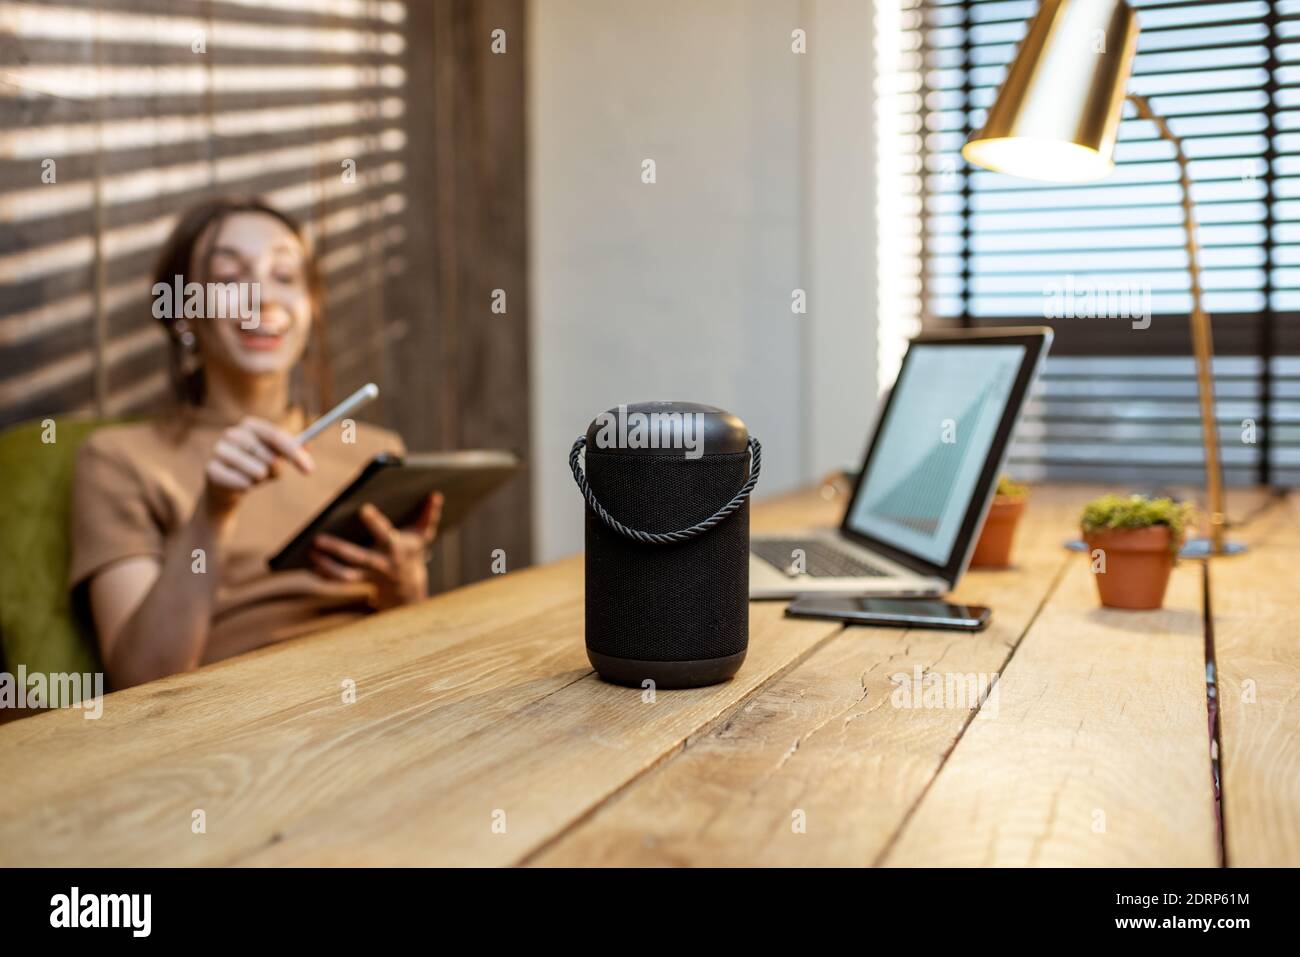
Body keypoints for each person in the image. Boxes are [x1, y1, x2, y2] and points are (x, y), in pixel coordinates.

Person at [70, 198, 441, 689]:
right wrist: (214, 510)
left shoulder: (374, 451)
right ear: (182, 313)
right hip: (238, 721)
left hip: (383, 692)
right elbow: (141, 678)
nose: (263, 298)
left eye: (285, 276)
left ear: (311, 307)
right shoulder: (118, 458)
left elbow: (415, 644)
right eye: (228, 279)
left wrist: (406, 589)